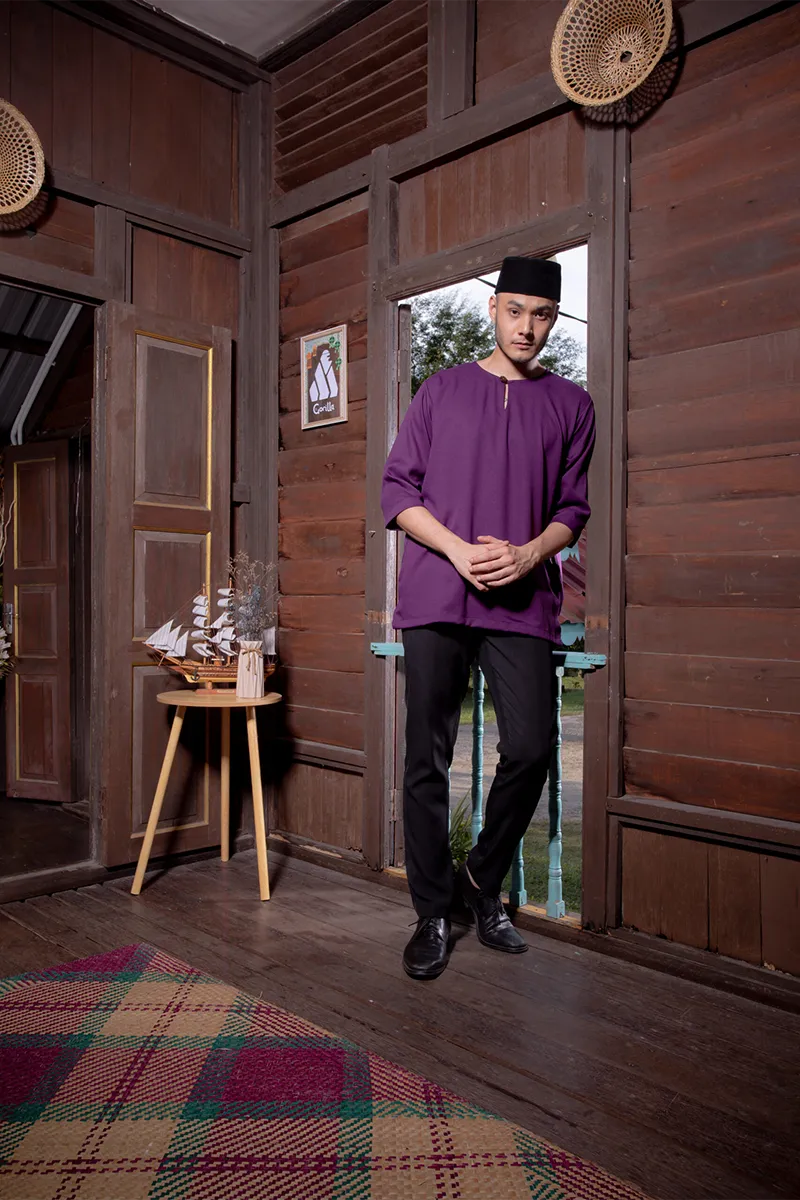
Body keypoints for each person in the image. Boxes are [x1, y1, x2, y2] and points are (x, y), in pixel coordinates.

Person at [381, 256, 596, 980]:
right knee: (427, 754)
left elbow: (573, 508)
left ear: (553, 320)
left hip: (522, 598)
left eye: (542, 315)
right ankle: (433, 912)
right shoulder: (440, 391)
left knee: (532, 745)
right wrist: (456, 549)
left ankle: (479, 879)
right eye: (515, 311)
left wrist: (530, 552)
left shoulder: (572, 405)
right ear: (494, 309)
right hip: (437, 591)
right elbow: (397, 493)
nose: (527, 327)